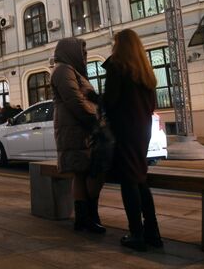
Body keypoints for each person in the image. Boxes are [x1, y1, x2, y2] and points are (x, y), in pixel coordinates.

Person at [102, 29, 161, 251]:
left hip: (124, 131)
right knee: (140, 178)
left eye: (115, 43)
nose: (113, 46)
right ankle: (153, 232)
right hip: (142, 130)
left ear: (121, 46)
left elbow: (110, 101)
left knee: (129, 182)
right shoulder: (145, 73)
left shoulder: (117, 67)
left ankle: (137, 233)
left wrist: (94, 98)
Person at [51, 37, 105, 234]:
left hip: (79, 129)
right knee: (84, 173)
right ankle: (86, 218)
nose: (85, 56)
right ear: (70, 52)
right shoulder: (63, 70)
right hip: (75, 130)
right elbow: (74, 100)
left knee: (83, 174)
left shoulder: (71, 71)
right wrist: (95, 121)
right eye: (82, 52)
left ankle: (87, 218)